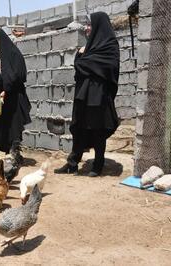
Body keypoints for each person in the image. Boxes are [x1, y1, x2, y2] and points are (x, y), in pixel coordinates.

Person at [54, 12, 120, 177]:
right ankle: (72, 164)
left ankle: (98, 165)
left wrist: (84, 59)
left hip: (99, 96)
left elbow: (108, 68)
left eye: (90, 25)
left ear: (98, 26)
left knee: (98, 129)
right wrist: (81, 56)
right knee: (78, 128)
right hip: (83, 94)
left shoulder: (110, 45)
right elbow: (79, 67)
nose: (86, 28)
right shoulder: (87, 47)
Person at [0, 28, 31, 163]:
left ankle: (14, 154)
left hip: (11, 94)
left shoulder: (12, 53)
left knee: (11, 125)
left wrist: (7, 90)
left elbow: (19, 74)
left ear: (0, 38)